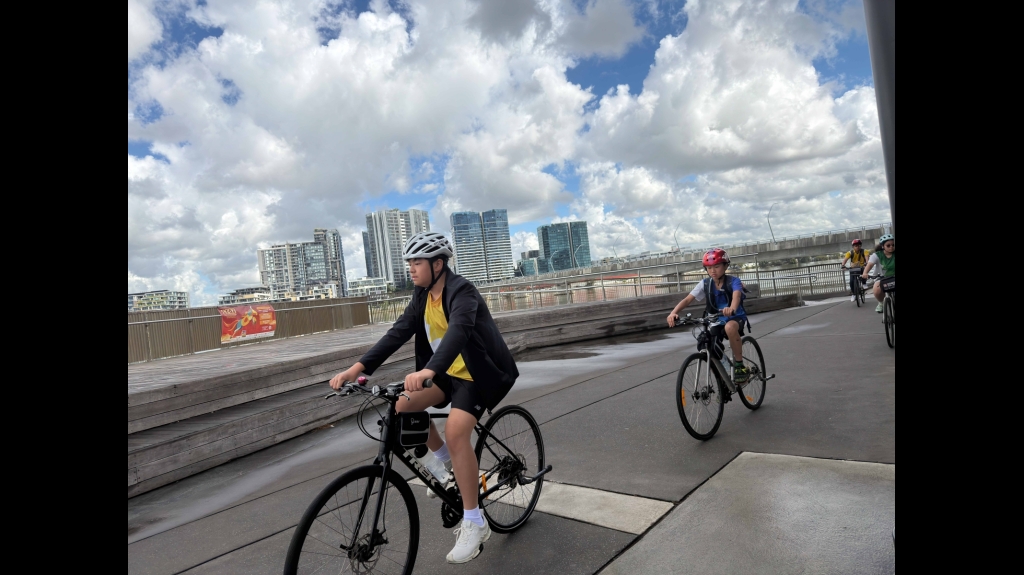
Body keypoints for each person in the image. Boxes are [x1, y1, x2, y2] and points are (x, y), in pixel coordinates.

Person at [329, 231, 518, 565]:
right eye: (410, 262)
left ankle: (475, 522)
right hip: (445, 373)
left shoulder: (462, 292)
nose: (411, 268)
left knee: (456, 432)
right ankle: (446, 467)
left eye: (417, 262)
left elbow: (458, 332)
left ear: (438, 264)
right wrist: (355, 369)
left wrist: (429, 370)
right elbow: (398, 332)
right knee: (402, 406)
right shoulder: (422, 296)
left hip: (477, 375)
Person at [666, 249, 751, 384]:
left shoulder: (734, 281)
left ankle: (740, 366)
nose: (713, 271)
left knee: (729, 328)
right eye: (709, 268)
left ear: (725, 266)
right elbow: (688, 299)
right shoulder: (705, 283)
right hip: (716, 319)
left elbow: (736, 297)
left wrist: (731, 309)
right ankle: (723, 374)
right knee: (706, 343)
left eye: (717, 266)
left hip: (735, 317)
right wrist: (674, 312)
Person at [862, 234, 895, 313]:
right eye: (888, 245)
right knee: (877, 290)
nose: (891, 247)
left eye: (893, 245)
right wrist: (865, 273)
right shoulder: (877, 255)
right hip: (881, 277)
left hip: (894, 277)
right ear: (883, 246)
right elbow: (870, 265)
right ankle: (881, 303)